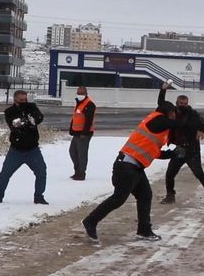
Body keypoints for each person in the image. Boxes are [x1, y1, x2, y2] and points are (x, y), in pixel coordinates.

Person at [81, 100, 188, 243]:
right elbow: (174, 124)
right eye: (174, 113)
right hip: (126, 167)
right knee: (119, 198)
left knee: (145, 195)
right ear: (169, 113)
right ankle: (90, 221)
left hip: (134, 167)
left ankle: (144, 231)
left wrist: (172, 154)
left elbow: (153, 152)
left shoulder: (157, 125)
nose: (175, 116)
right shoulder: (158, 120)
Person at [157, 84, 204, 206]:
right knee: (170, 174)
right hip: (179, 149)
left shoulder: (192, 114)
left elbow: (203, 122)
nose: (183, 106)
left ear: (188, 104)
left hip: (192, 150)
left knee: (199, 173)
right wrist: (163, 89)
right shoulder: (173, 113)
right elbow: (161, 103)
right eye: (181, 103)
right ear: (176, 103)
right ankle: (170, 196)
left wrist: (202, 129)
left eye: (185, 103)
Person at [0, 91, 48, 205]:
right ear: (15, 100)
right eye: (21, 100)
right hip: (16, 150)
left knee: (41, 172)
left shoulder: (31, 107)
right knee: (5, 174)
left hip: (33, 150)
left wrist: (31, 120)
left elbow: (39, 117)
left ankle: (39, 197)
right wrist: (28, 121)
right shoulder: (9, 112)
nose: (24, 102)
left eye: (25, 99)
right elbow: (15, 125)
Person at [69, 86, 97, 181]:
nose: (80, 95)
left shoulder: (89, 104)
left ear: (86, 94)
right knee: (72, 152)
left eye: (81, 93)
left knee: (82, 154)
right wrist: (71, 129)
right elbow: (76, 117)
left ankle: (81, 174)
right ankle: (77, 171)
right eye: (78, 93)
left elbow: (88, 121)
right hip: (77, 133)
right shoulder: (79, 103)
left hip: (84, 134)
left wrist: (84, 133)